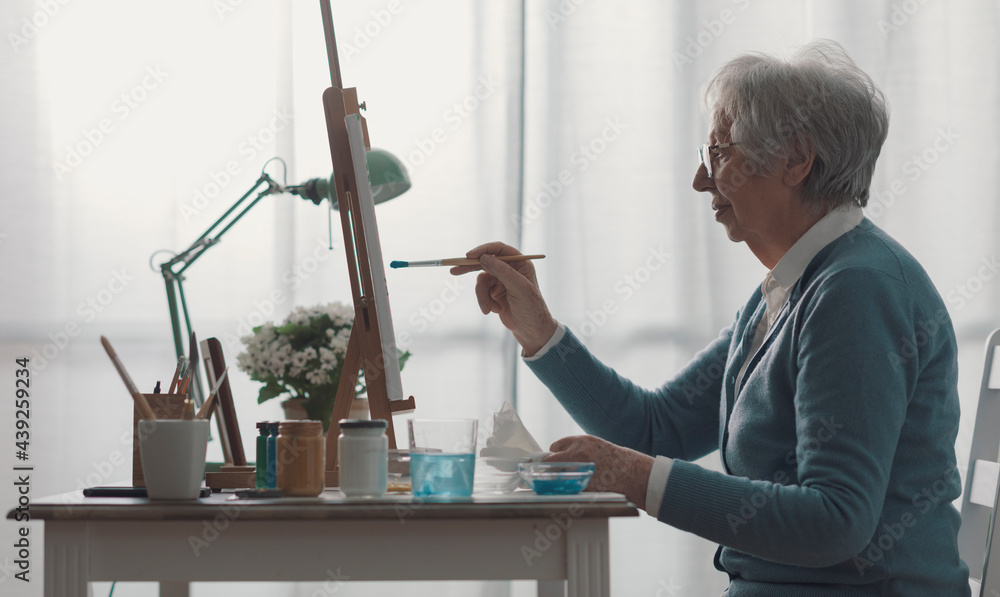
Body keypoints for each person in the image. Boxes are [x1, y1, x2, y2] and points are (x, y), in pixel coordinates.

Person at [451, 40, 970, 596]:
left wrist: (631, 474)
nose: (702, 180)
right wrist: (537, 329)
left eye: (718, 152)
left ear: (796, 159)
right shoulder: (792, 289)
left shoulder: (858, 290)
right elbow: (655, 429)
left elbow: (835, 521)